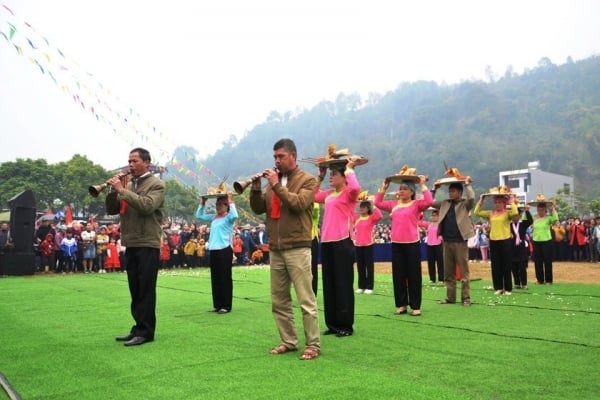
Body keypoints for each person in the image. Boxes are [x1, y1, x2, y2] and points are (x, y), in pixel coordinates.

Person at [249, 138, 320, 360]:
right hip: (276, 248)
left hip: (298, 247)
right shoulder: (273, 182)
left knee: (306, 299)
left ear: (293, 156)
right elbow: (260, 208)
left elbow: (298, 204)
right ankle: (288, 341)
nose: (277, 161)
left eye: (280, 156)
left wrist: (276, 185)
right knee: (279, 299)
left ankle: (313, 345)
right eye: (275, 157)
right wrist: (256, 188)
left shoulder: (308, 180)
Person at [107, 147, 165, 347]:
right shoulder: (129, 184)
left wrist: (122, 191)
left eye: (135, 161)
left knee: (146, 288)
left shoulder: (157, 184)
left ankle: (146, 331)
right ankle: (138, 327)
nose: (130, 165)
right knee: (135, 288)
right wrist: (111, 190)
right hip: (130, 242)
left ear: (147, 162)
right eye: (129, 161)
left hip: (147, 242)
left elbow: (147, 205)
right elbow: (112, 209)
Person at [375, 175, 432, 316]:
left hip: (412, 244)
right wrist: (384, 187)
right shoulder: (393, 205)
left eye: (405, 189)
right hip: (396, 244)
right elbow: (377, 202)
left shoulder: (416, 204)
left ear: (412, 192)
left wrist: (423, 185)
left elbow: (429, 201)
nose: (401, 191)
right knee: (398, 275)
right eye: (400, 189)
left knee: (414, 275)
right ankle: (401, 305)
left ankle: (415, 306)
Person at [315, 157, 360, 333]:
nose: (330, 177)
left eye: (334, 174)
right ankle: (332, 324)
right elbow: (313, 196)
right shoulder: (328, 194)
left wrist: (349, 168)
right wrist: (320, 176)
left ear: (343, 177)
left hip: (343, 241)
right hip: (326, 242)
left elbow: (356, 187)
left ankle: (345, 325)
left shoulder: (349, 193)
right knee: (330, 284)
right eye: (330, 173)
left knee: (343, 284)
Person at [431, 178, 475, 306]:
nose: (451, 193)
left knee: (463, 271)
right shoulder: (445, 203)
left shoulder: (464, 204)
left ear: (460, 193)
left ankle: (466, 298)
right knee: (448, 271)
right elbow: (430, 202)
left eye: (454, 191)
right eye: (450, 191)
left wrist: (467, 185)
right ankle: (450, 297)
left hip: (460, 241)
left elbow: (472, 199)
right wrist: (434, 189)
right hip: (447, 241)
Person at [196, 193, 238, 314]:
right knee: (215, 278)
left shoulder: (229, 217)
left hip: (224, 249)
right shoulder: (214, 217)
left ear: (226, 206)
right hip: (214, 250)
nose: (218, 207)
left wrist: (230, 200)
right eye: (217, 204)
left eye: (220, 204)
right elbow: (199, 215)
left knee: (224, 278)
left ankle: (226, 305)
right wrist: (202, 202)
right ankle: (218, 304)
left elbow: (235, 215)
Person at [474, 190, 519, 295]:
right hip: (494, 241)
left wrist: (511, 201)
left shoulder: (507, 213)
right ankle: (498, 287)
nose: (497, 204)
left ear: (504, 203)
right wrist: (481, 200)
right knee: (496, 265)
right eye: (496, 202)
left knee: (506, 265)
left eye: (500, 202)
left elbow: (515, 213)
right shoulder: (491, 213)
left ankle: (508, 288)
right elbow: (477, 212)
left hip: (505, 240)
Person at [353, 195, 382, 294]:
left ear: (368, 208)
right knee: (360, 267)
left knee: (369, 267)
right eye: (361, 207)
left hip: (368, 245)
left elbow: (379, 215)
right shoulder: (356, 218)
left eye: (364, 207)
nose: (362, 208)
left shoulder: (371, 218)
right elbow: (348, 214)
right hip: (358, 245)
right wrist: (356, 200)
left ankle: (369, 287)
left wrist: (371, 202)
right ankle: (361, 286)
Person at [529, 194, 559, 284]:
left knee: (547, 261)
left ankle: (549, 280)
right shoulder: (534, 219)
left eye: (542, 209)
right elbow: (525, 220)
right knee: (537, 261)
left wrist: (553, 208)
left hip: (547, 241)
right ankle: (540, 280)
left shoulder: (548, 218)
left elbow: (556, 219)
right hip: (536, 242)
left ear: (545, 210)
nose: (540, 211)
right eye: (538, 209)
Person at [510, 205, 533, 289]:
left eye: (516, 215)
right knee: (514, 267)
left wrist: (527, 211)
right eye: (513, 215)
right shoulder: (508, 225)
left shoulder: (522, 224)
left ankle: (524, 283)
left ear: (519, 216)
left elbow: (530, 220)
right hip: (512, 249)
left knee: (522, 267)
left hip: (521, 249)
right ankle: (517, 283)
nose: (514, 217)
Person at [420, 209, 444, 284]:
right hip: (430, 245)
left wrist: (441, 238)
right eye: (433, 215)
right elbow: (419, 222)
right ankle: (432, 278)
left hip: (438, 244)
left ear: (439, 216)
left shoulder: (441, 224)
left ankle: (441, 278)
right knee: (431, 262)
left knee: (440, 262)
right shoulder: (429, 224)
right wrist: (420, 214)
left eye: (435, 215)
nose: (434, 217)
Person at [310, 202, 321, 295]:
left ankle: (313, 292)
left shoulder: (315, 205)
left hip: (312, 239)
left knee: (313, 267)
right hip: (300, 240)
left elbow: (316, 209)